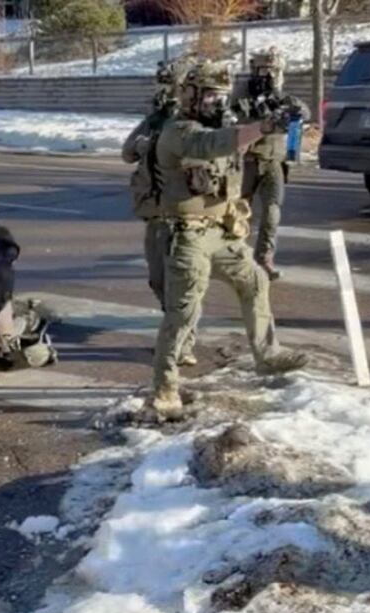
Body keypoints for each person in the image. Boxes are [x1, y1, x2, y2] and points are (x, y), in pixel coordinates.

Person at [150, 60, 308, 419]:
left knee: (255, 280)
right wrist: (264, 126)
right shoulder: (179, 131)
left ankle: (267, 355)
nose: (216, 104)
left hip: (221, 233)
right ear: (189, 96)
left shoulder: (221, 123)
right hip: (186, 235)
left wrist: (279, 114)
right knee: (183, 312)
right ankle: (163, 389)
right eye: (208, 96)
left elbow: (244, 141)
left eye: (220, 96)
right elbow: (212, 144)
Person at [123, 58, 199, 366]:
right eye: (162, 84)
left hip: (183, 215)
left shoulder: (194, 122)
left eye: (171, 85)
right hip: (155, 214)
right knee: (158, 281)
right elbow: (127, 152)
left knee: (182, 283)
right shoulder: (156, 119)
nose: (166, 91)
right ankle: (177, 331)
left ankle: (182, 343)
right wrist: (148, 140)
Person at [233, 48, 310, 280]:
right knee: (237, 210)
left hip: (273, 161)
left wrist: (287, 108)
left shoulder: (279, 97)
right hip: (247, 160)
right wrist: (254, 112)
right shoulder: (242, 94)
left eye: (273, 70)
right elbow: (231, 121)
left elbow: (303, 111)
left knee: (271, 211)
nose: (267, 75)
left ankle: (264, 257)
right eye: (263, 70)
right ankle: (234, 255)